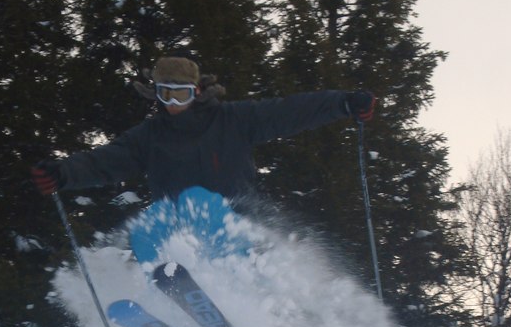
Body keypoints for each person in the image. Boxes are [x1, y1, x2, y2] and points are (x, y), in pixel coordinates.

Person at [32, 55, 375, 263]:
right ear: (156, 95)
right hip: (181, 230)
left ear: (197, 92)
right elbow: (106, 160)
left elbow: (289, 111)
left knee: (197, 201)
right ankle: (175, 298)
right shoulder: (149, 136)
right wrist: (63, 173)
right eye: (166, 94)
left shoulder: (233, 120)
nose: (173, 104)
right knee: (148, 229)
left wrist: (342, 103)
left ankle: (232, 292)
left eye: (181, 94)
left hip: (237, 226)